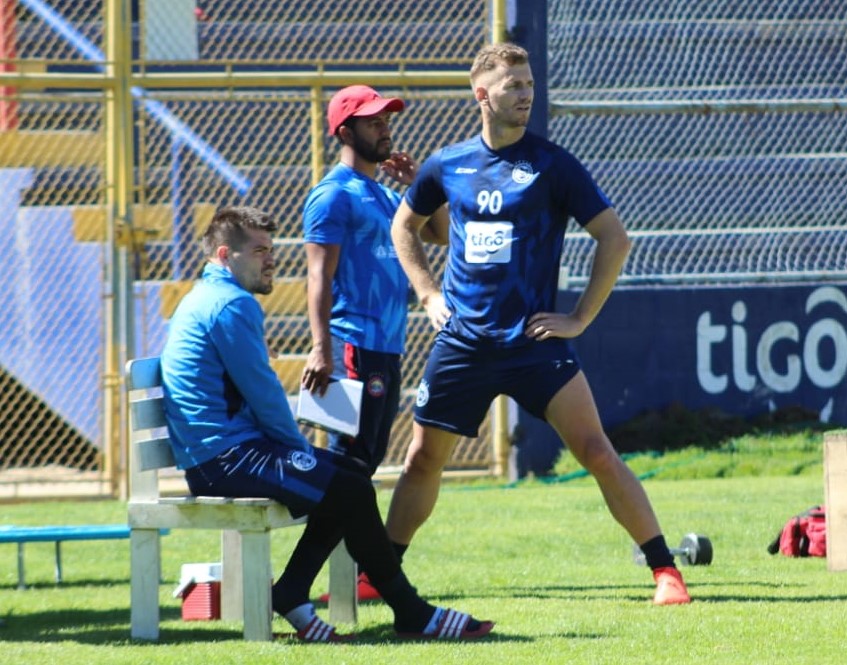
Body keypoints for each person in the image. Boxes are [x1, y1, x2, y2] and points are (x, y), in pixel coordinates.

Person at [385, 43, 692, 606]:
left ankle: (666, 572)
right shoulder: (446, 163)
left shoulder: (553, 164)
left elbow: (615, 239)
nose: (526, 95)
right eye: (513, 86)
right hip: (463, 343)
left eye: (529, 85)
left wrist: (578, 319)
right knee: (422, 459)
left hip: (533, 344)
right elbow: (405, 226)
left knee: (596, 452)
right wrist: (427, 293)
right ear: (482, 95)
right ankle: (379, 576)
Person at [159, 206, 494, 642]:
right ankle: (408, 610)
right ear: (225, 255)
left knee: (348, 477)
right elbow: (266, 397)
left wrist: (307, 462)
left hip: (221, 455)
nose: (271, 259)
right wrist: (301, 452)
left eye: (272, 250)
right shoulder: (230, 304)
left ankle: (296, 593)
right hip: (223, 460)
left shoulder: (210, 298)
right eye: (259, 251)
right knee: (346, 485)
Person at [301, 85, 447, 600]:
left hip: (385, 347)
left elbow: (443, 235)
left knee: (360, 470)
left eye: (387, 119)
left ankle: (330, 587)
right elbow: (318, 277)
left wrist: (417, 189)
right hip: (351, 346)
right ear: (345, 132)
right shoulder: (333, 194)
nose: (385, 127)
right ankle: (321, 586)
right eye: (372, 121)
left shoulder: (387, 194)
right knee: (351, 471)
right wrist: (321, 350)